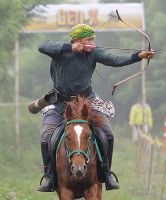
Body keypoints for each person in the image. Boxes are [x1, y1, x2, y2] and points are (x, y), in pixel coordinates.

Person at [36, 24, 155, 192]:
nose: (92, 42)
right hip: (59, 103)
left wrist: (139, 55)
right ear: (77, 40)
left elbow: (115, 60)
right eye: (89, 39)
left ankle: (105, 173)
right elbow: (42, 46)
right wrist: (70, 47)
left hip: (88, 102)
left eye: (93, 39)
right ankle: (49, 176)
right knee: (46, 136)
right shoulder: (60, 50)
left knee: (108, 134)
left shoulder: (93, 52)